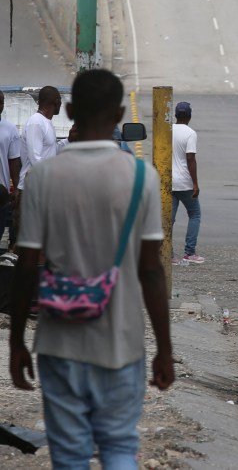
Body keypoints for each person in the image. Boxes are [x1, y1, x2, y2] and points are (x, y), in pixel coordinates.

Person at [8, 69, 174, 468]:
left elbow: (26, 267)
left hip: (58, 343)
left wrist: (16, 342)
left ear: (69, 110)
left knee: (69, 455)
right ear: (119, 114)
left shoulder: (44, 177)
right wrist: (164, 350)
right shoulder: (141, 178)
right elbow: (151, 272)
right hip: (120, 342)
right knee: (118, 447)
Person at [172, 102, 204, 264]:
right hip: (184, 182)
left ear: (176, 115)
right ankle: (189, 252)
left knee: (168, 219)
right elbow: (190, 158)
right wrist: (195, 183)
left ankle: (168, 254)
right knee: (194, 214)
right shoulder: (190, 133)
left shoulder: (167, 130)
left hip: (167, 180)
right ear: (189, 116)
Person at [19, 85, 61, 190]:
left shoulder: (46, 122)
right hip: (32, 189)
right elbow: (35, 158)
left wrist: (69, 140)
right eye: (60, 100)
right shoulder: (36, 122)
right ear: (56, 101)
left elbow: (50, 151)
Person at [0, 92, 21, 249]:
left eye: (1, 102)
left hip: (2, 193)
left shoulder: (10, 129)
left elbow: (14, 160)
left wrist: (16, 189)